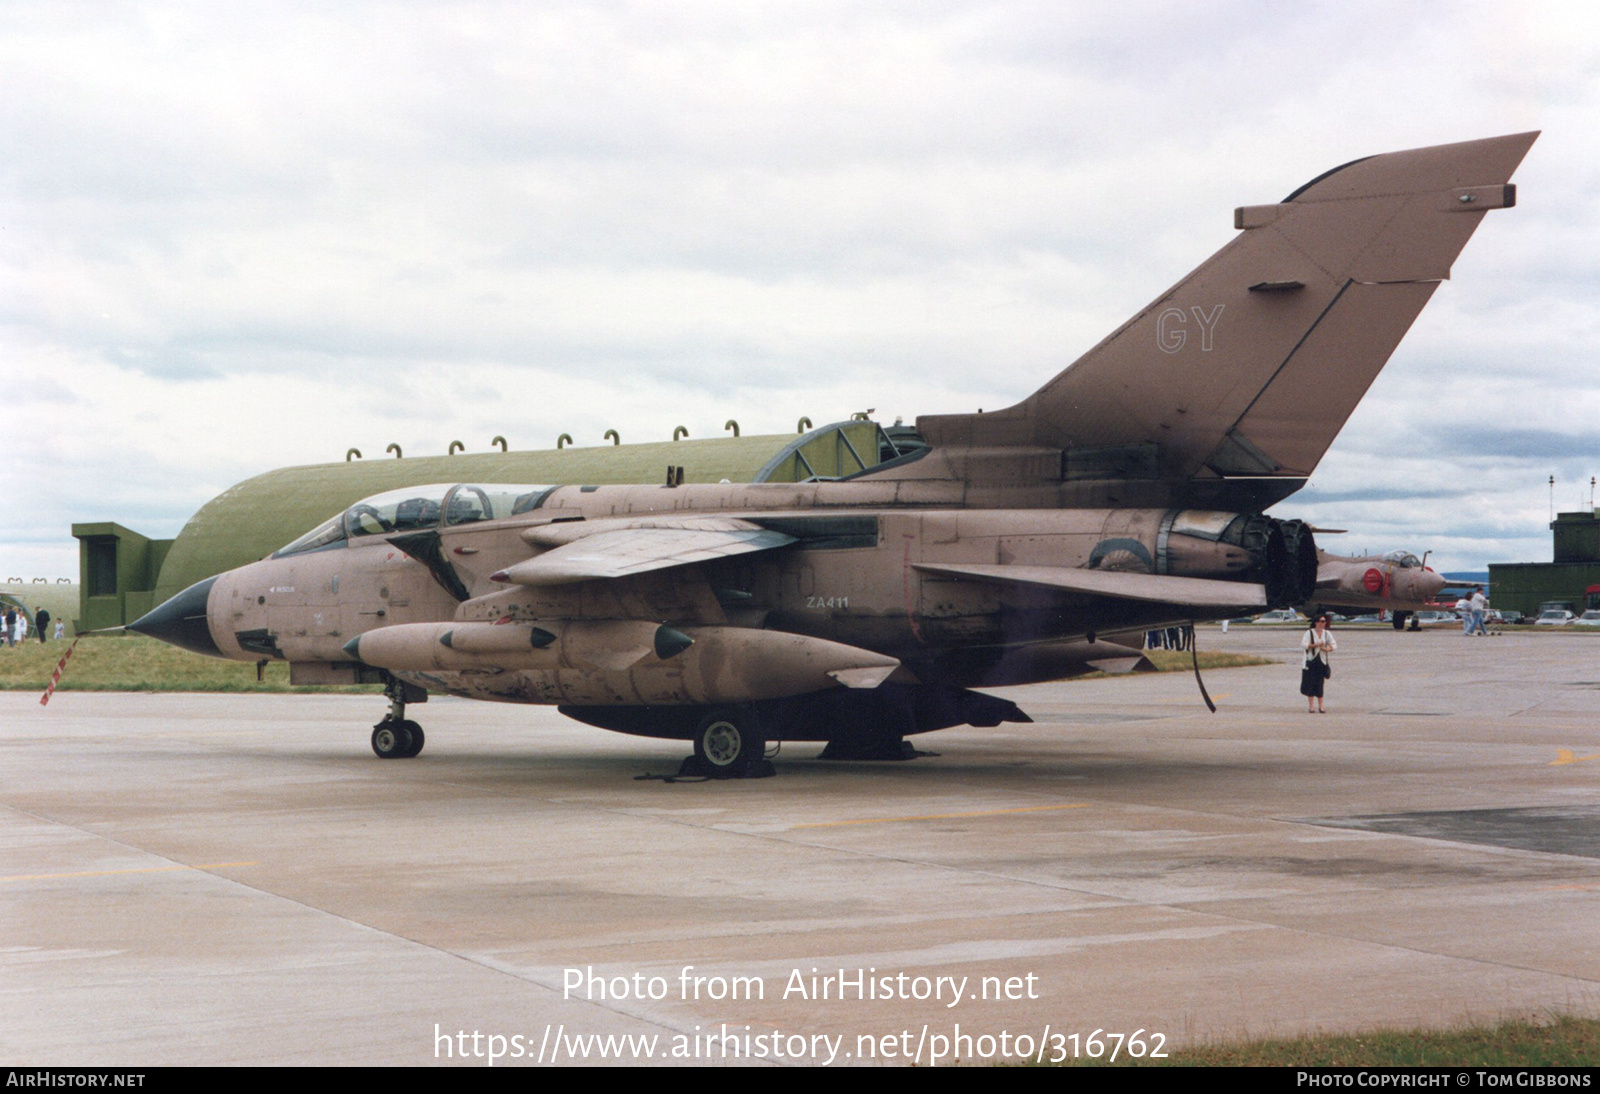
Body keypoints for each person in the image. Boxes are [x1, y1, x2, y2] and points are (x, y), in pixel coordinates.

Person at [1300, 614, 1336, 713]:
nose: (1324, 623)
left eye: (1325, 621)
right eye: (1322, 621)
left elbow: (1334, 644)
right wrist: (1316, 645)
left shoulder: (1326, 633)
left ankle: (1321, 706)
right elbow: (1303, 644)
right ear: (1316, 622)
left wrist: (1327, 649)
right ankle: (1311, 706)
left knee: (1320, 683)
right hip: (1311, 661)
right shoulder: (1309, 633)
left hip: (1322, 662)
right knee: (1310, 683)